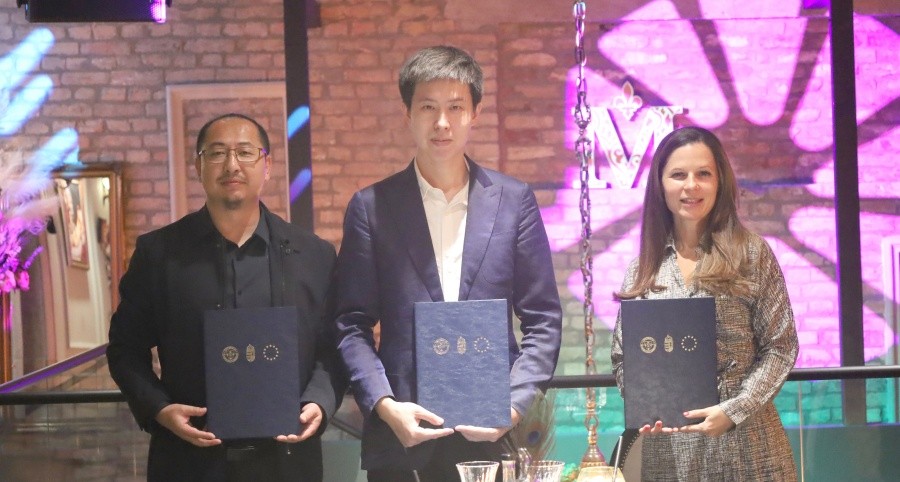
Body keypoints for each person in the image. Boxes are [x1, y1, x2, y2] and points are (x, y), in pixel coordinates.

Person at [334, 45, 562, 481]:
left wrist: (513, 405)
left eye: (455, 107)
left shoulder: (514, 202)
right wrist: (385, 405)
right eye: (428, 107)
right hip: (403, 435)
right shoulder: (371, 207)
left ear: (475, 113)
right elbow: (351, 323)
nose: (442, 122)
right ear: (407, 113)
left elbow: (544, 320)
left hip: (494, 436)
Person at [107, 113, 344, 482]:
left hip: (288, 462)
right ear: (198, 167)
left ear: (267, 166)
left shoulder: (314, 255)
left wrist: (320, 400)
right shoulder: (159, 254)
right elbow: (125, 349)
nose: (232, 165)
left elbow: (333, 346)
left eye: (245, 152)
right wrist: (160, 408)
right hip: (188, 462)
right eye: (217, 153)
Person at [611, 126, 799, 481]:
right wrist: (646, 402)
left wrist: (734, 410)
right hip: (669, 451)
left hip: (747, 445)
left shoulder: (751, 253)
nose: (691, 185)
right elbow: (623, 357)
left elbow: (781, 347)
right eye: (678, 175)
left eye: (703, 174)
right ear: (660, 184)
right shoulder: (643, 268)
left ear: (719, 182)